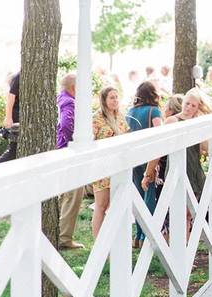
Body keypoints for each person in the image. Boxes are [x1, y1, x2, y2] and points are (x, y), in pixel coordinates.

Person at [129, 81, 164, 248]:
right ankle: (145, 236)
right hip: (148, 156)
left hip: (133, 157)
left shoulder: (130, 112)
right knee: (148, 194)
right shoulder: (154, 111)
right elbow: (160, 131)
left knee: (137, 194)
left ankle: (137, 235)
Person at [91, 86, 130, 237]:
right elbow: (91, 140)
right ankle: (98, 241)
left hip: (118, 164)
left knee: (116, 204)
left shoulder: (120, 116)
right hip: (102, 165)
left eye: (116, 97)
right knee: (101, 204)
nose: (115, 100)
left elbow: (126, 134)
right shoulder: (97, 118)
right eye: (111, 98)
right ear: (104, 100)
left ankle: (113, 239)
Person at [55, 74, 84, 249]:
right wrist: (70, 143)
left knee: (66, 195)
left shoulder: (61, 99)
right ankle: (64, 238)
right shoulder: (70, 103)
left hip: (60, 151)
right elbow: (66, 125)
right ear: (74, 88)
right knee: (73, 194)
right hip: (68, 152)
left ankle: (60, 233)